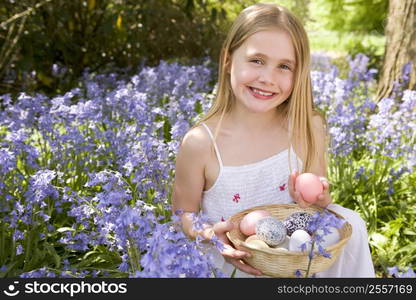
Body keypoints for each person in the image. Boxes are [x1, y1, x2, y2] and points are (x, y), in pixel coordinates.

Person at [171, 2, 375, 278]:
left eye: (284, 66)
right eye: (256, 60)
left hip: (292, 260)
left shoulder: (307, 126)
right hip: (232, 262)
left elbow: (315, 204)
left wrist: (319, 199)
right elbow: (183, 214)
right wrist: (207, 233)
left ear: (298, 72)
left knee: (351, 222)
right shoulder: (201, 143)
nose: (267, 78)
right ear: (228, 59)